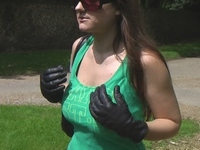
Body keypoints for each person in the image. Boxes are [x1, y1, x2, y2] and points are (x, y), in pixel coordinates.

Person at [40, 0, 181, 149]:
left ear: (119, 7)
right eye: (76, 1)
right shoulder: (79, 47)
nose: (78, 7)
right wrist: (58, 95)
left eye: (90, 2)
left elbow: (172, 122)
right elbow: (84, 110)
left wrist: (134, 128)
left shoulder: (144, 61)